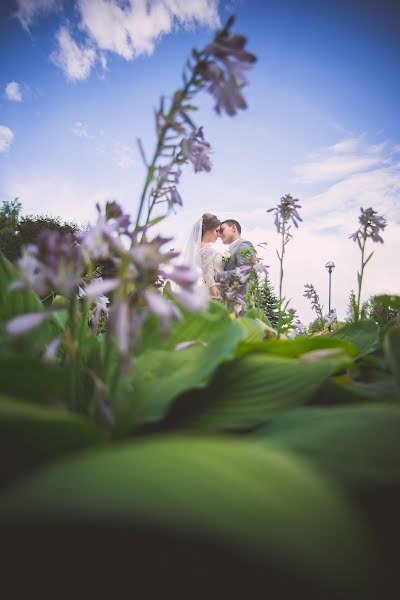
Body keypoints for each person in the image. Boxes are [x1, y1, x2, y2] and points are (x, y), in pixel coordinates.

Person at [182, 213, 223, 299]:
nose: (219, 235)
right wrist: (217, 298)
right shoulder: (206, 250)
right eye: (217, 231)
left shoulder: (200, 248)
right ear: (207, 230)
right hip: (213, 291)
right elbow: (208, 276)